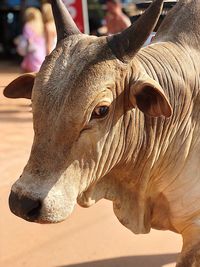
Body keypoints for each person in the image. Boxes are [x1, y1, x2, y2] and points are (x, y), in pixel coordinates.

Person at [15, 7, 46, 72]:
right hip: (42, 52)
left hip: (32, 53)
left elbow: (29, 40)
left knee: (29, 74)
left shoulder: (27, 25)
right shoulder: (42, 25)